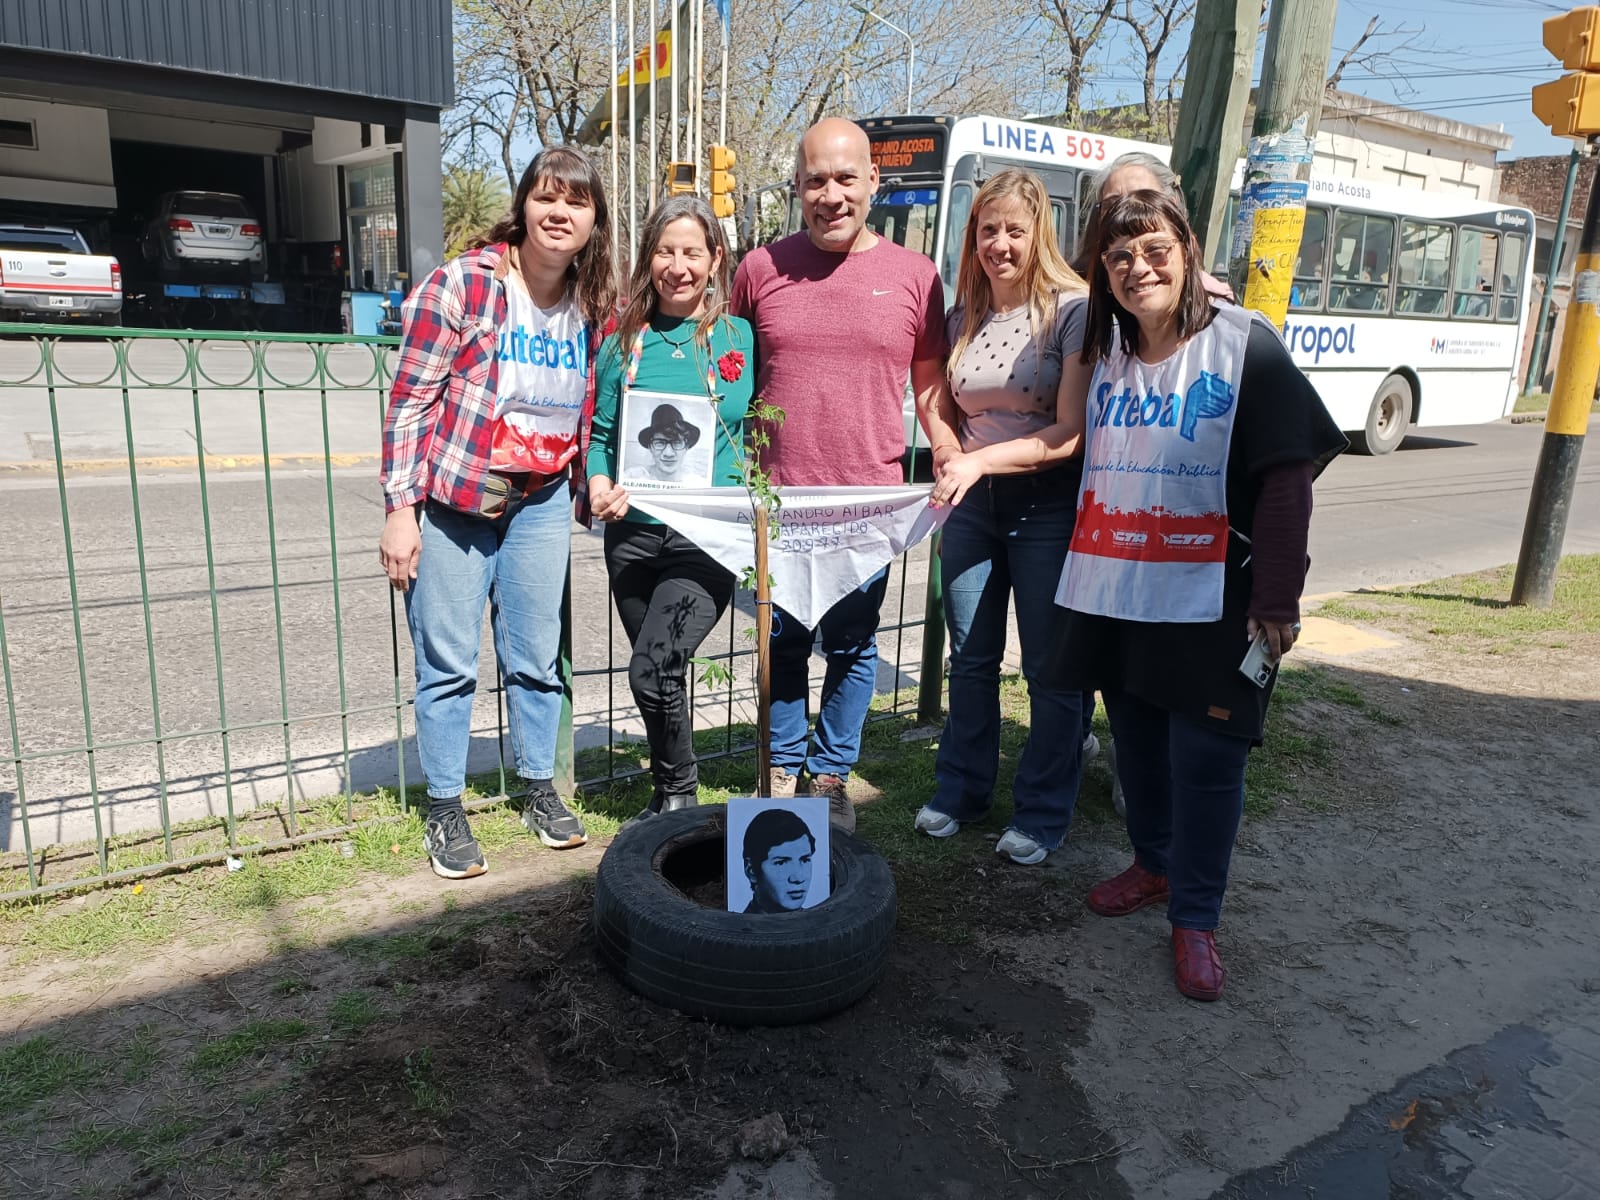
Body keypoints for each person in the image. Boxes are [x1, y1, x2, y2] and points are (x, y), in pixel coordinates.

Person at [1048, 189, 1345, 1001]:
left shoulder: (1244, 344)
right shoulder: (1109, 354)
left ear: (1186, 253)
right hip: (1120, 586)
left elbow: (1287, 477)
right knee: (1138, 745)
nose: (1136, 268)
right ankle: (1153, 865)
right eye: (1118, 257)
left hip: (1216, 594)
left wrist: (1277, 598)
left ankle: (1196, 917)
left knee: (1207, 758)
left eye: (1154, 251)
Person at [379, 146, 613, 879]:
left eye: (576, 202)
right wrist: (401, 509)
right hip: (457, 501)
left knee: (536, 658)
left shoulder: (591, 304)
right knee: (448, 663)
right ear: (523, 206)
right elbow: (410, 401)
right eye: (547, 197)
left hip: (540, 500)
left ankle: (539, 787)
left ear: (594, 221)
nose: (559, 213)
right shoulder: (464, 285)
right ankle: (445, 806)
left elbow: (596, 407)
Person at [731, 117, 946, 833]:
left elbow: (929, 384)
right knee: (782, 642)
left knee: (852, 646)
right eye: (816, 180)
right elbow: (730, 377)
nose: (831, 195)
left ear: (873, 182)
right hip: (778, 502)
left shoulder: (916, 276)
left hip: (867, 503)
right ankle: (781, 768)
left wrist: (946, 444)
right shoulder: (759, 270)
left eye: (846, 178)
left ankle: (829, 778)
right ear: (797, 186)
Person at [909, 168, 1093, 866]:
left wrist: (978, 462)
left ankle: (1043, 813)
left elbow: (1070, 433)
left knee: (1050, 669)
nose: (1000, 245)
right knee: (972, 660)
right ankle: (962, 791)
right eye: (988, 230)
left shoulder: (1073, 310)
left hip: (1047, 505)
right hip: (972, 509)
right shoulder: (965, 316)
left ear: (1040, 232)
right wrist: (948, 449)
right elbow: (940, 401)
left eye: (1015, 230)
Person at [588, 196, 755, 820]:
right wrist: (599, 486)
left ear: (715, 260)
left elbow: (763, 424)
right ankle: (673, 795)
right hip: (633, 539)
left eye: (692, 252)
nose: (677, 266)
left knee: (652, 670)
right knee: (660, 675)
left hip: (706, 539)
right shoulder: (622, 342)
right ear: (647, 258)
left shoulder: (740, 338)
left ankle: (679, 793)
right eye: (665, 251)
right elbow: (601, 436)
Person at [1074, 152, 1235, 303]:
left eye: (1143, 199)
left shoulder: (1211, 303)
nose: (1125, 212)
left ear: (1171, 207)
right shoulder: (1076, 295)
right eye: (1112, 203)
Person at [740, 807, 817, 914]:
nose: (798, 878)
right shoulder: (740, 924)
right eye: (781, 863)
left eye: (804, 860)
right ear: (751, 870)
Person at [624, 402, 702, 483]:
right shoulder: (631, 478)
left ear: (686, 447)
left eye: (677, 443)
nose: (668, 454)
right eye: (660, 443)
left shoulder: (697, 483)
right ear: (650, 447)